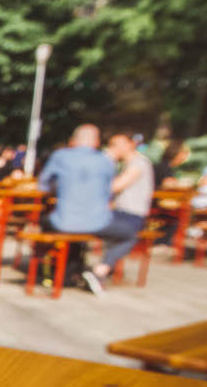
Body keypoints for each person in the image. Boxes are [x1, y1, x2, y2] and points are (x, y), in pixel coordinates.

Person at [36, 124, 117, 292]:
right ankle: (94, 268)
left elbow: (42, 185)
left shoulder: (61, 156)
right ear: (96, 142)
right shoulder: (105, 160)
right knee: (129, 232)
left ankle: (47, 269)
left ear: (73, 141)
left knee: (44, 221)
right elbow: (110, 191)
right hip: (98, 223)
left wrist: (58, 189)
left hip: (64, 222)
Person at [77, 132, 156, 294]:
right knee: (128, 235)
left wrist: (106, 160)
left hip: (130, 216)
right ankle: (98, 271)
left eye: (116, 144)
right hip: (121, 215)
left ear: (130, 144)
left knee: (129, 234)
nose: (113, 148)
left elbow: (114, 187)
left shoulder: (138, 163)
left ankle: (98, 271)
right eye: (111, 144)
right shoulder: (127, 164)